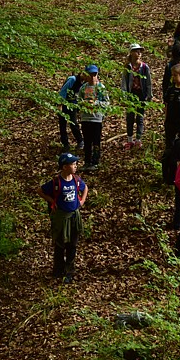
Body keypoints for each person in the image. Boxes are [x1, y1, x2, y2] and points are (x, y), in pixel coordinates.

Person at [36, 153, 88, 284]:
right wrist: (52, 201)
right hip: (61, 217)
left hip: (74, 217)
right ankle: (58, 270)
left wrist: (81, 201)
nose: (76, 166)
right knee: (60, 244)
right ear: (64, 167)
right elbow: (40, 191)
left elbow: (85, 188)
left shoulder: (76, 180)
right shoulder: (56, 182)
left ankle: (69, 271)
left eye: (76, 164)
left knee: (72, 244)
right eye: (73, 164)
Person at [77, 64, 109, 172]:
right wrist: (83, 104)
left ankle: (95, 162)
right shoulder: (83, 88)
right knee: (87, 141)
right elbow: (78, 101)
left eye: (94, 74)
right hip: (85, 118)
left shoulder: (101, 87)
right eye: (90, 74)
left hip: (96, 118)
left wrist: (96, 103)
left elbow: (106, 102)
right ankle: (87, 161)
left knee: (96, 141)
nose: (92, 77)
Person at [121, 43, 152, 149]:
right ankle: (129, 140)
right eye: (136, 51)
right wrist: (124, 95)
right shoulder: (128, 67)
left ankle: (138, 139)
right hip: (131, 94)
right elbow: (124, 82)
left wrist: (149, 95)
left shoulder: (144, 67)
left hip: (141, 94)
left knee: (140, 118)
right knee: (130, 118)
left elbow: (148, 82)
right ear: (131, 53)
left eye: (140, 51)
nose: (139, 53)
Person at [57, 71, 86, 152]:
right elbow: (63, 91)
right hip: (64, 103)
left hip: (73, 105)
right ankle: (65, 144)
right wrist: (60, 105)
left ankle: (80, 141)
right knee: (62, 124)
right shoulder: (72, 79)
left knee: (73, 123)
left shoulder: (84, 83)